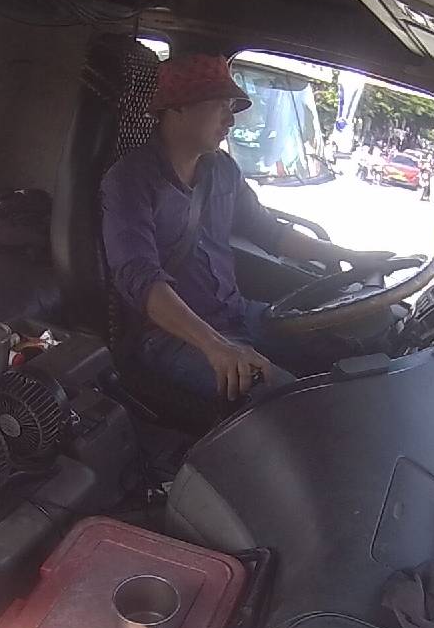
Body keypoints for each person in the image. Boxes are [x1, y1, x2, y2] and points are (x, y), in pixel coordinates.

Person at [102, 54, 392, 401]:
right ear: (178, 106)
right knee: (290, 400)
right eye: (220, 106)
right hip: (171, 338)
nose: (230, 119)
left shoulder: (223, 169)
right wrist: (215, 345)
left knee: (347, 353)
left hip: (238, 313)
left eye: (231, 108)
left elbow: (271, 233)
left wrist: (350, 256)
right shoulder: (130, 180)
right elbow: (140, 279)